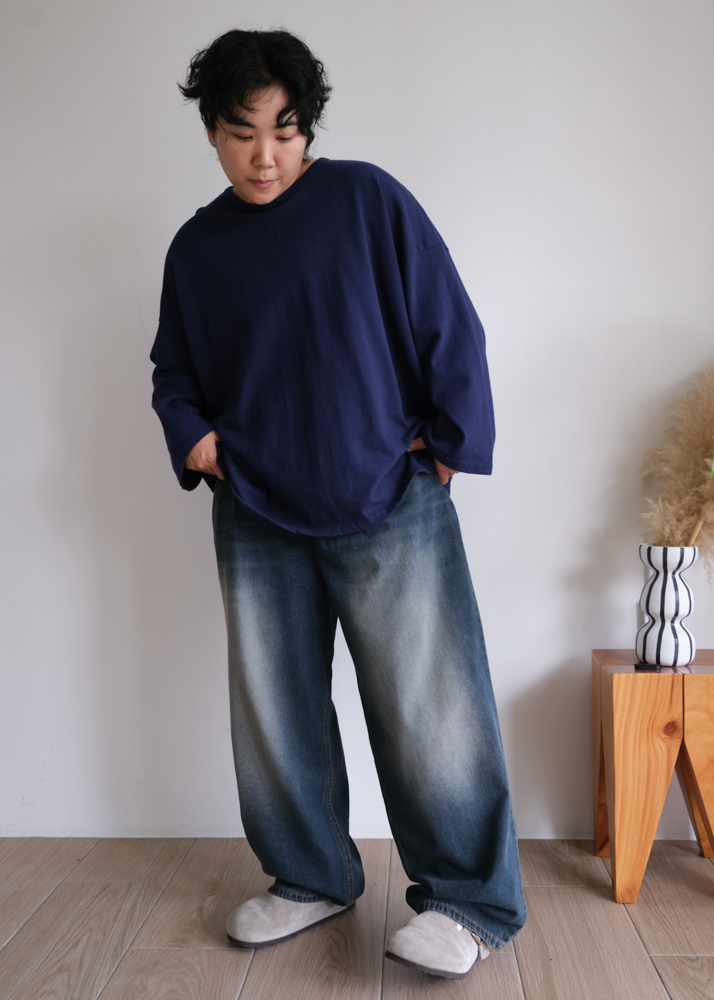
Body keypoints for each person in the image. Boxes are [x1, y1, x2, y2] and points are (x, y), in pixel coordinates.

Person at [150, 27, 526, 980]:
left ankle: (471, 902)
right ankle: (311, 874)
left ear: (307, 127)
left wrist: (450, 448)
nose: (265, 156)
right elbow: (174, 371)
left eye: (284, 131)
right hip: (255, 507)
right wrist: (193, 436)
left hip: (389, 495)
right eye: (243, 133)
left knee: (430, 705)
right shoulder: (197, 248)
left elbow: (448, 322)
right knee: (274, 710)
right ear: (212, 130)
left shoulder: (367, 199)